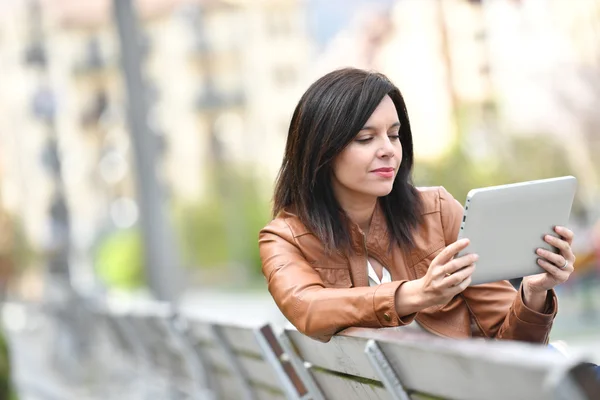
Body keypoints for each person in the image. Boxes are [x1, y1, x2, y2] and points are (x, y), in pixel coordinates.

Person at [258, 68, 576, 344]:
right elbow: (309, 308)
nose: (387, 150)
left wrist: (534, 292)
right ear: (320, 151)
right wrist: (418, 293)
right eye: (365, 138)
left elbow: (514, 349)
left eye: (394, 135)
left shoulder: (435, 211)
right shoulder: (284, 238)